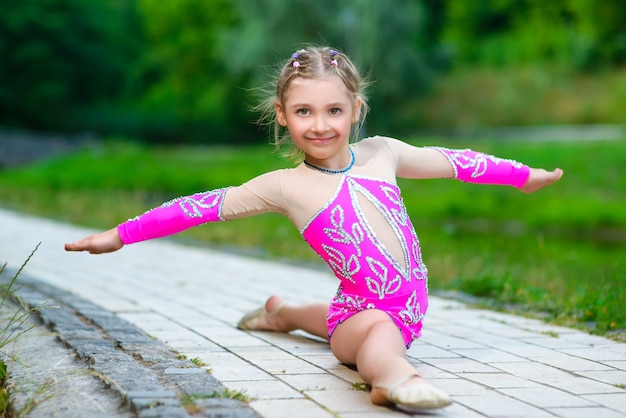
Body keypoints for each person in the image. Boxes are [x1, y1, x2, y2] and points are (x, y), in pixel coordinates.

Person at [65, 46, 563, 412]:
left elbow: (455, 161)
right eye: (303, 112)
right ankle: (395, 379)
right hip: (372, 322)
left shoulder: (383, 153)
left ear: (356, 111)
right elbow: (201, 206)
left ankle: (279, 312)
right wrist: (120, 233)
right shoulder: (286, 186)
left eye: (334, 111)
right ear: (282, 115)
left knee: (329, 316)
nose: (320, 125)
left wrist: (522, 176)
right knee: (375, 333)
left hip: (375, 306)